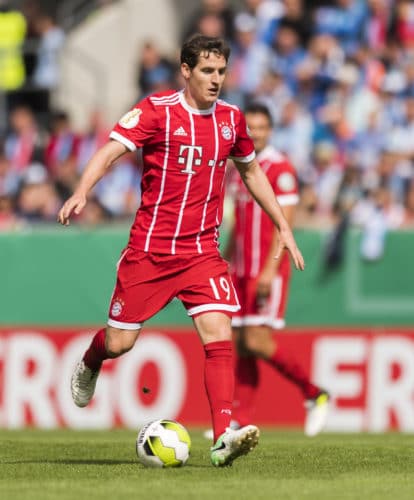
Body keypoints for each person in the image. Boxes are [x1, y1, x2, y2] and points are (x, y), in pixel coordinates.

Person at [57, 35, 305, 467]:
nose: (216, 80)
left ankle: (223, 434)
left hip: (201, 253)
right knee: (120, 343)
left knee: (219, 334)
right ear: (186, 70)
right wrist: (82, 190)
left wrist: (282, 223)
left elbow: (251, 174)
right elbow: (111, 151)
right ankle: (91, 361)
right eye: (207, 71)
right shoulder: (157, 111)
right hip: (150, 252)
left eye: (222, 72)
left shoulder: (231, 120)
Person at [222, 103, 329, 437]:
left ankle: (314, 392)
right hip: (240, 269)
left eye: (261, 127)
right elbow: (239, 226)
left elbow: (285, 224)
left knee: (256, 340)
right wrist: (223, 260)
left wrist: (269, 271)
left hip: (265, 269)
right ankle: (242, 419)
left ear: (271, 130)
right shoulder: (240, 168)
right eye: (249, 127)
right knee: (240, 342)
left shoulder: (279, 168)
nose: (255, 133)